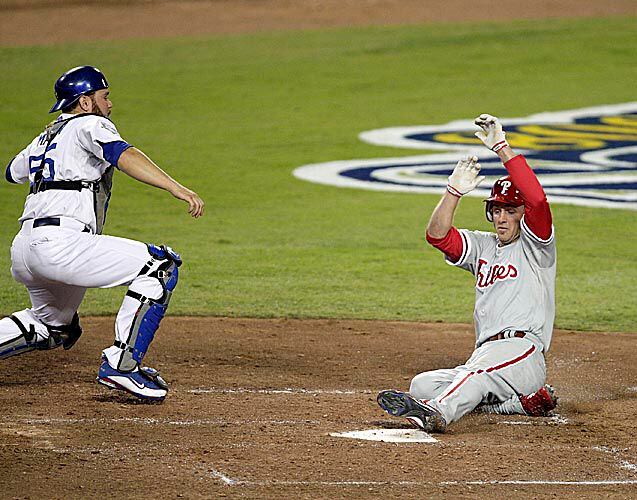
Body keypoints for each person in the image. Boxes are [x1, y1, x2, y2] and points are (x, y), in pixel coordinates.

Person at [0, 65, 204, 402]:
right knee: (160, 266)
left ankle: (113, 360)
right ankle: (122, 366)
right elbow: (122, 154)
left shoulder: (44, 137)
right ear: (84, 102)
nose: (109, 105)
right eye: (104, 97)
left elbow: (12, 172)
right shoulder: (91, 124)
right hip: (60, 244)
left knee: (52, 325)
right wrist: (175, 187)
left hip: (24, 249)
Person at [377, 114, 557, 432]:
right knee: (421, 384)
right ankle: (512, 406)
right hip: (484, 354)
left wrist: (502, 148)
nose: (501, 218)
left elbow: (538, 198)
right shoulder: (483, 245)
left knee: (471, 379)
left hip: (522, 353)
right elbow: (437, 236)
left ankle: (436, 414)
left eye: (510, 211)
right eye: (496, 210)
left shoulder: (537, 246)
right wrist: (452, 192)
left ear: (523, 215)